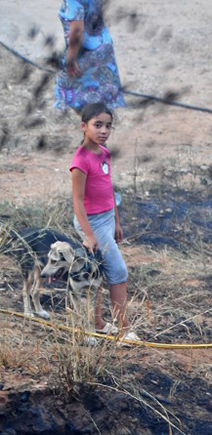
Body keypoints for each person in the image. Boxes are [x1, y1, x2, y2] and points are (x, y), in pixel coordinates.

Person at [70, 102, 137, 341]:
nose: (104, 130)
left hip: (108, 219)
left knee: (98, 271)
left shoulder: (104, 152)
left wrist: (116, 221)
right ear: (83, 126)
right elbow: (77, 201)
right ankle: (125, 329)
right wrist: (89, 235)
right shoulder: (81, 161)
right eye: (97, 125)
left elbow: (109, 190)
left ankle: (98, 323)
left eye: (108, 126)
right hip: (93, 224)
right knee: (118, 270)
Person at [51, 0, 126, 112]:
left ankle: (93, 135)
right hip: (104, 46)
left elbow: (77, 31)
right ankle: (99, 135)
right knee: (100, 102)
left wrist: (70, 60)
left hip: (84, 53)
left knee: (78, 100)